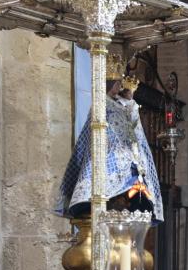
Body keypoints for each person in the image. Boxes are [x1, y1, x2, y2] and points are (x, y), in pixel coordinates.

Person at [55, 61, 163, 223]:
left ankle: (128, 207)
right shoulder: (102, 104)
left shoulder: (121, 105)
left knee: (138, 199)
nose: (120, 87)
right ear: (111, 84)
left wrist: (130, 102)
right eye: (118, 83)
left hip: (128, 159)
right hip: (107, 156)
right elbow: (104, 129)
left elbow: (132, 126)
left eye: (120, 84)